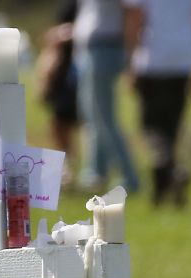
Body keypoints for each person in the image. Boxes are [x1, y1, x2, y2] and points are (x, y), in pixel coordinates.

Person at [122, 0, 191, 207]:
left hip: (152, 59)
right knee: (171, 127)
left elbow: (135, 17)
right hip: (183, 58)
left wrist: (130, 60)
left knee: (150, 126)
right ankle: (168, 181)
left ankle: (168, 171)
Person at [73, 0, 139, 192]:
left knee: (104, 118)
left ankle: (129, 176)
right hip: (91, 47)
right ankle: (95, 173)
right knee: (91, 115)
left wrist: (129, 55)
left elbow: (131, 11)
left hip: (105, 46)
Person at [36, 0, 79, 184]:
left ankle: (84, 168)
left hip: (78, 72)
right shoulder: (71, 6)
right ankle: (67, 167)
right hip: (64, 72)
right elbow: (52, 34)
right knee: (59, 123)